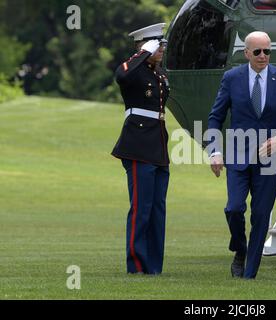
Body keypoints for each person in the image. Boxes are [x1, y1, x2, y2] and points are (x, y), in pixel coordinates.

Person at [207, 31, 276, 279]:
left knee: (261, 215)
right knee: (234, 209)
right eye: (258, 52)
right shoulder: (232, 78)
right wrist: (215, 151)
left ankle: (249, 274)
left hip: (269, 159)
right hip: (238, 156)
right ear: (246, 53)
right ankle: (240, 249)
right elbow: (215, 117)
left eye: (267, 51)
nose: (263, 56)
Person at [111, 23, 170, 275]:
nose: (161, 50)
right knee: (141, 208)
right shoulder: (133, 71)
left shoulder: (158, 75)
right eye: (157, 45)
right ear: (144, 46)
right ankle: (136, 265)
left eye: (161, 45)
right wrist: (143, 53)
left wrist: (150, 56)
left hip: (157, 146)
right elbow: (122, 75)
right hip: (137, 146)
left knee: (158, 209)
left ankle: (154, 266)